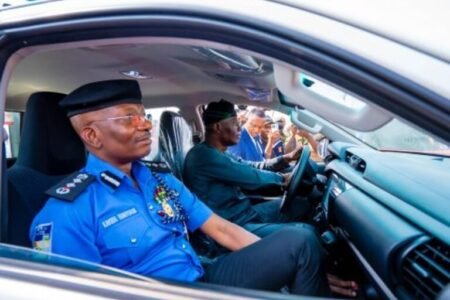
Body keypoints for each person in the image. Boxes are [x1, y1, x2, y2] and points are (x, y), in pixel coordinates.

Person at [29, 80, 335, 296]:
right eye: (129, 118)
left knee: (299, 243)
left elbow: (221, 229)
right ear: (92, 136)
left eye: (143, 114)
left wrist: (297, 268)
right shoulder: (65, 213)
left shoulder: (158, 179)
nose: (146, 125)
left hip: (202, 275)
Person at [184, 100, 315, 238]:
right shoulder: (204, 155)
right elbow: (251, 176)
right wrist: (282, 179)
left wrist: (286, 158)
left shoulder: (220, 152)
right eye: (235, 124)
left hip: (244, 213)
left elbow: (252, 166)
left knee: (301, 204)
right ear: (218, 127)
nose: (240, 129)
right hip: (231, 226)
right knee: (306, 234)